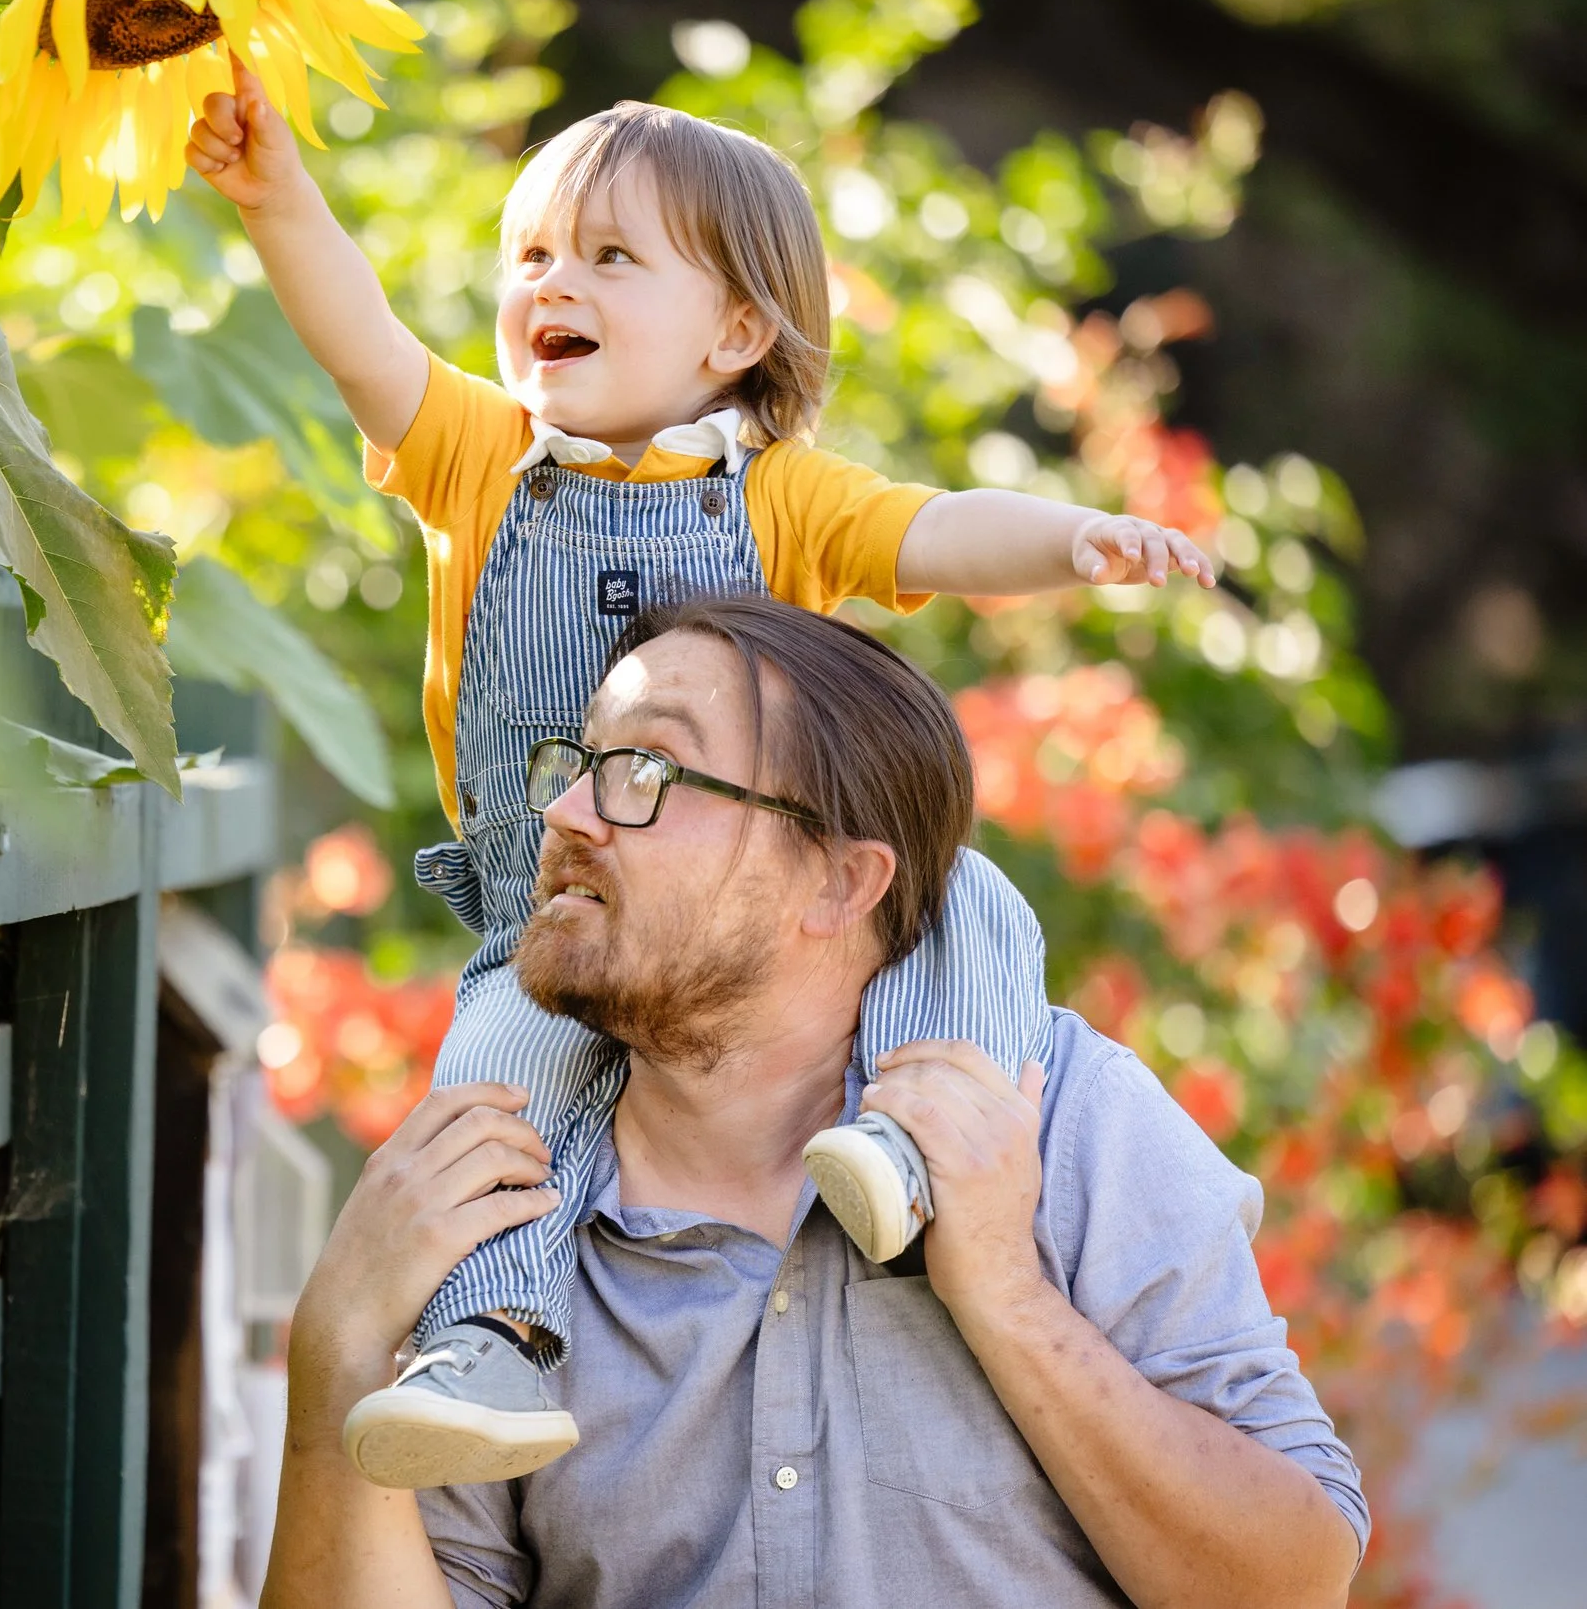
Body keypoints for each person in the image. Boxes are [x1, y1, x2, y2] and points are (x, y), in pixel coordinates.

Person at [187, 81, 1218, 1488]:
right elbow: (360, 339)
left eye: (612, 256)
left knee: (967, 906)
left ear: (738, 331)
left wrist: (1078, 537)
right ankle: (490, 1341)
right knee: (497, 1092)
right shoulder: (482, 458)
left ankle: (910, 1148)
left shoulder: (784, 495)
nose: (554, 281)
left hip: (747, 894)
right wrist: (273, 199)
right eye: (533, 254)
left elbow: (940, 530)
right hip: (546, 916)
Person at [262, 595, 1368, 1608]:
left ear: (841, 880)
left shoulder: (1061, 1119)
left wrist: (1007, 1296)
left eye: (645, 771)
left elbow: (1293, 1579)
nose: (567, 813)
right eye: (579, 761)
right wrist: (337, 1359)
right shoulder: (496, 1214)